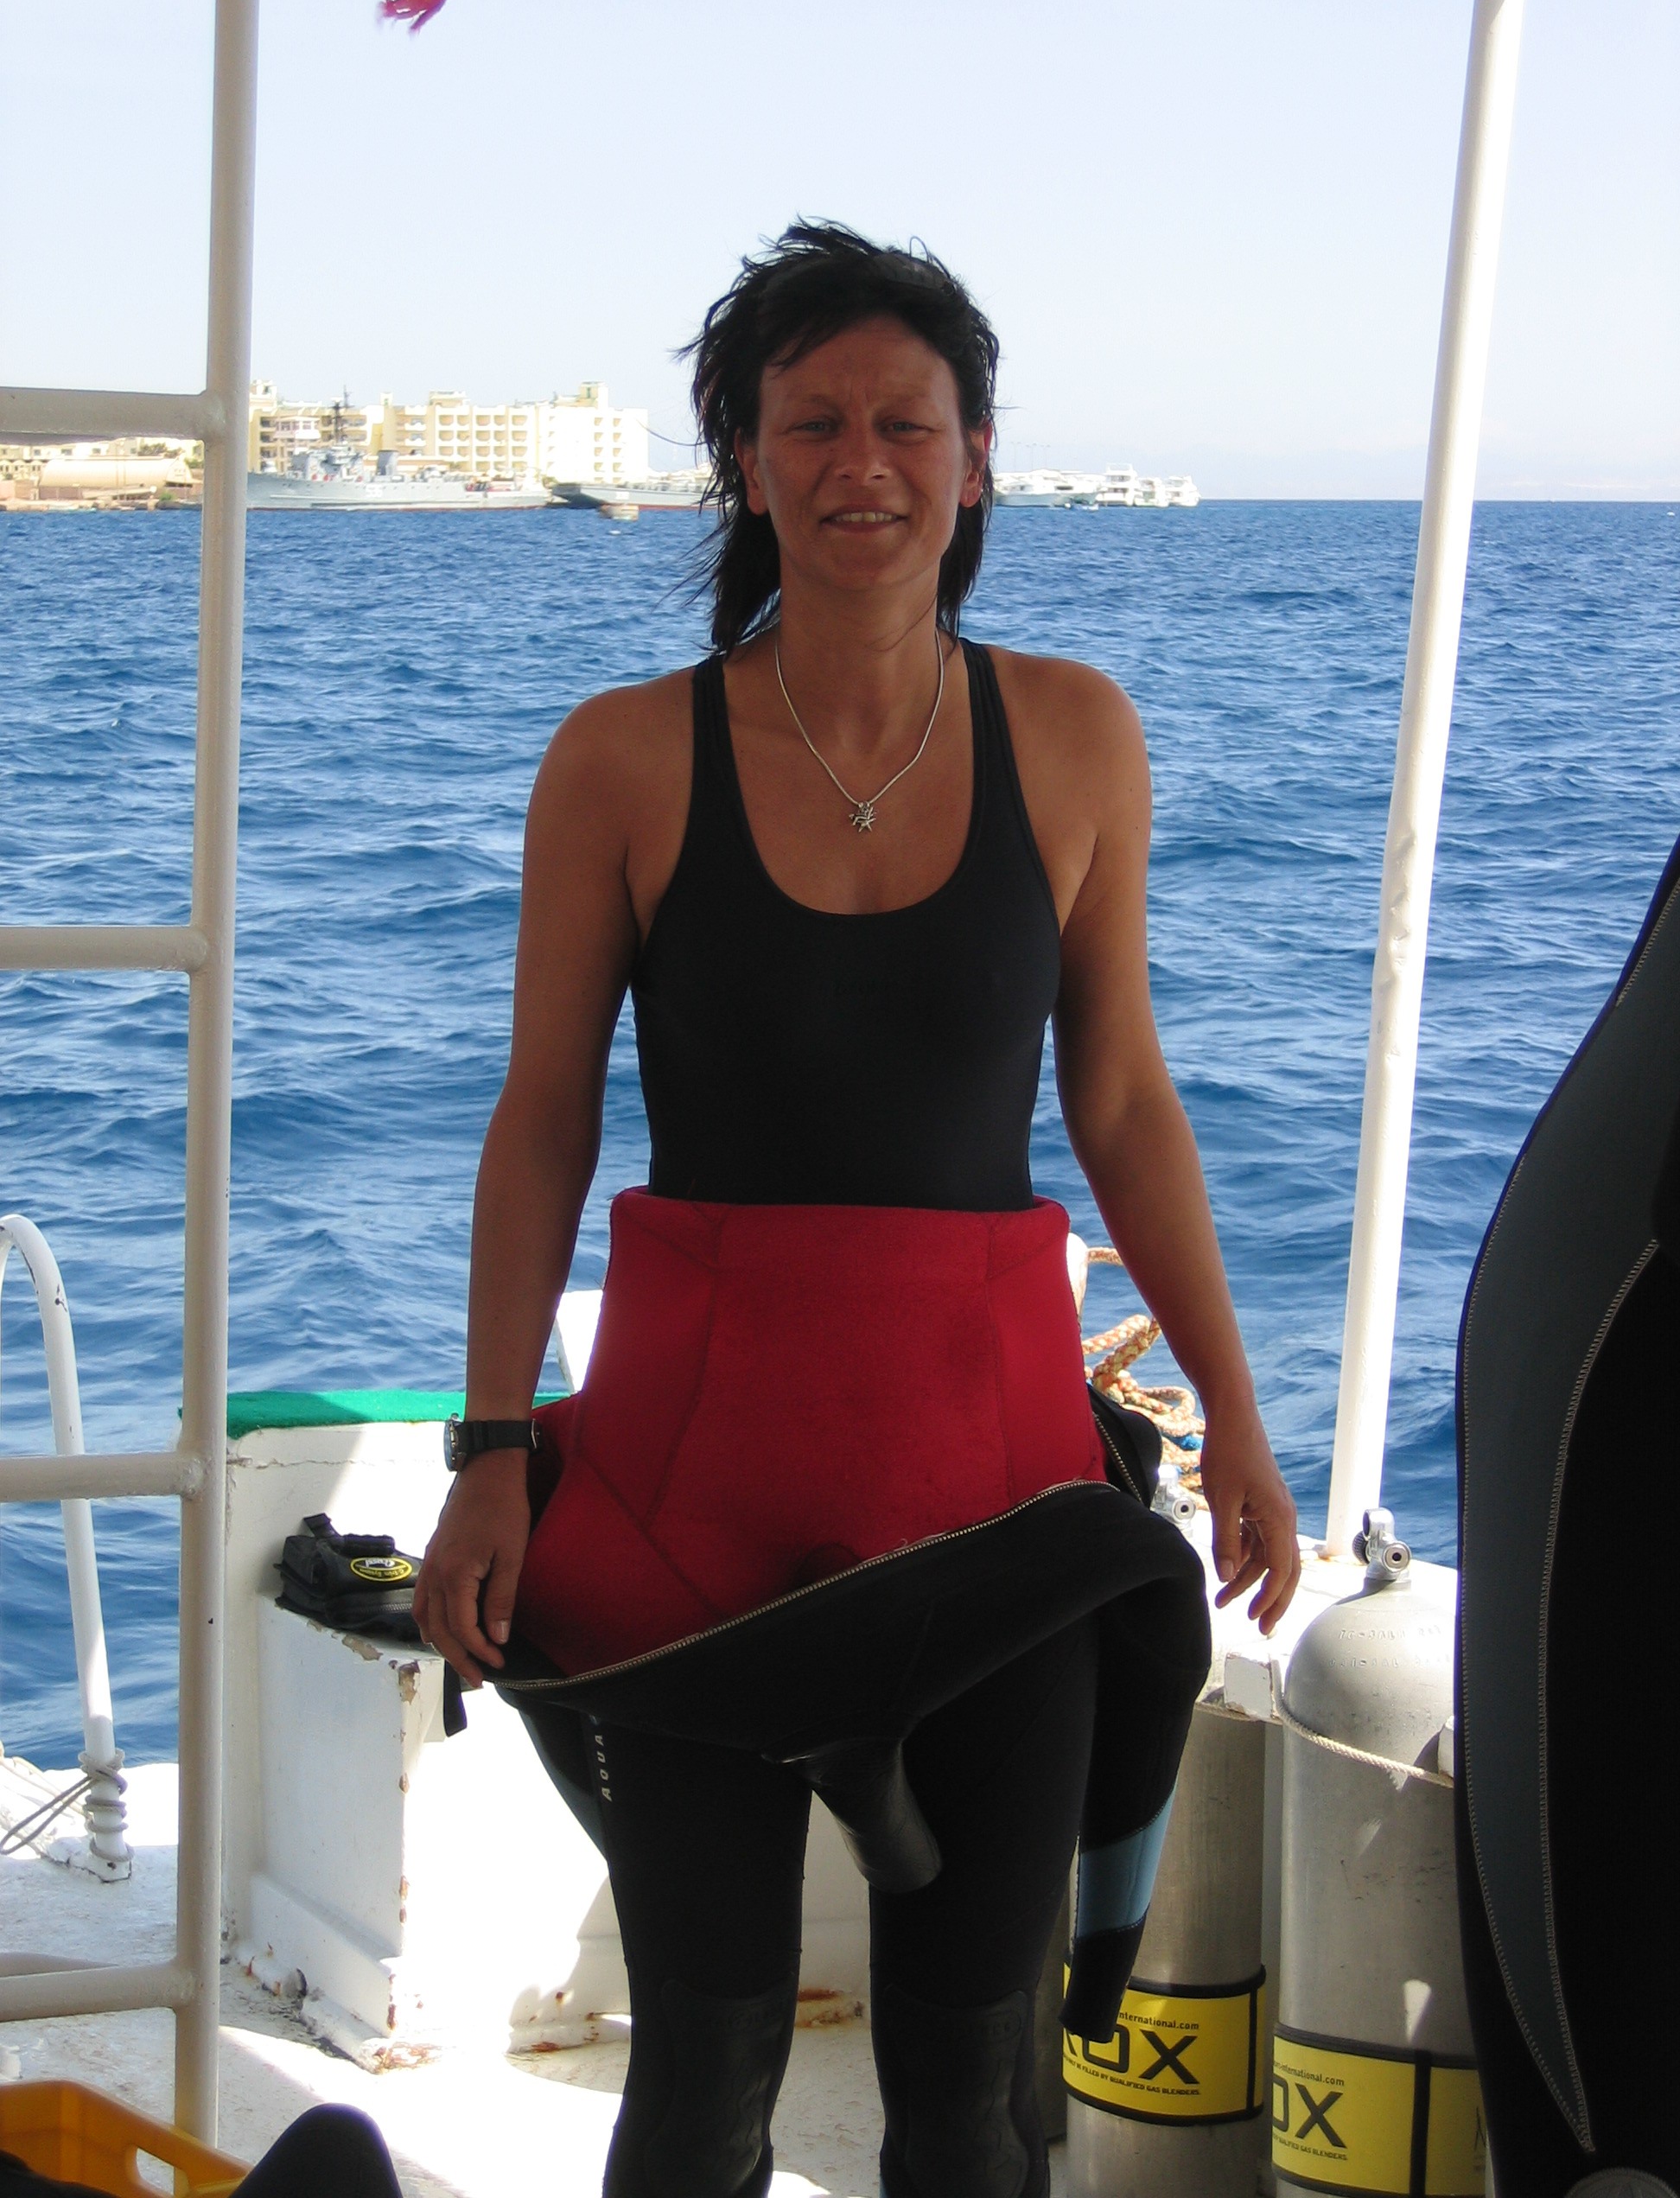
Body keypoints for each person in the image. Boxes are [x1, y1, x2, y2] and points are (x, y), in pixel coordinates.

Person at [416, 221, 1300, 2198]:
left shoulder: (1075, 732)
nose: (861, 462)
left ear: (978, 460)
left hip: (994, 1499)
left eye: (908, 422)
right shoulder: (623, 758)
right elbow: (542, 1120)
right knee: (701, 2078)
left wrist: (1240, 1416)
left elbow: (1125, 1100)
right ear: (743, 461)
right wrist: (489, 1451)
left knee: (974, 2102)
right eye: (810, 422)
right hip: (686, 1500)